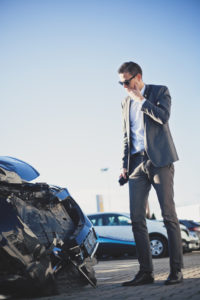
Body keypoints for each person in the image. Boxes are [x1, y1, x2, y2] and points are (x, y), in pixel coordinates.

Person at [118, 61, 183, 286]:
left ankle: (176, 271)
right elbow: (127, 136)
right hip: (136, 164)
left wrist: (142, 100)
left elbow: (163, 117)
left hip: (159, 161)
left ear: (138, 77)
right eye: (121, 83)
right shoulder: (125, 103)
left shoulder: (160, 91)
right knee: (136, 219)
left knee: (168, 215)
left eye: (127, 81)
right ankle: (146, 272)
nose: (124, 86)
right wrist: (124, 165)